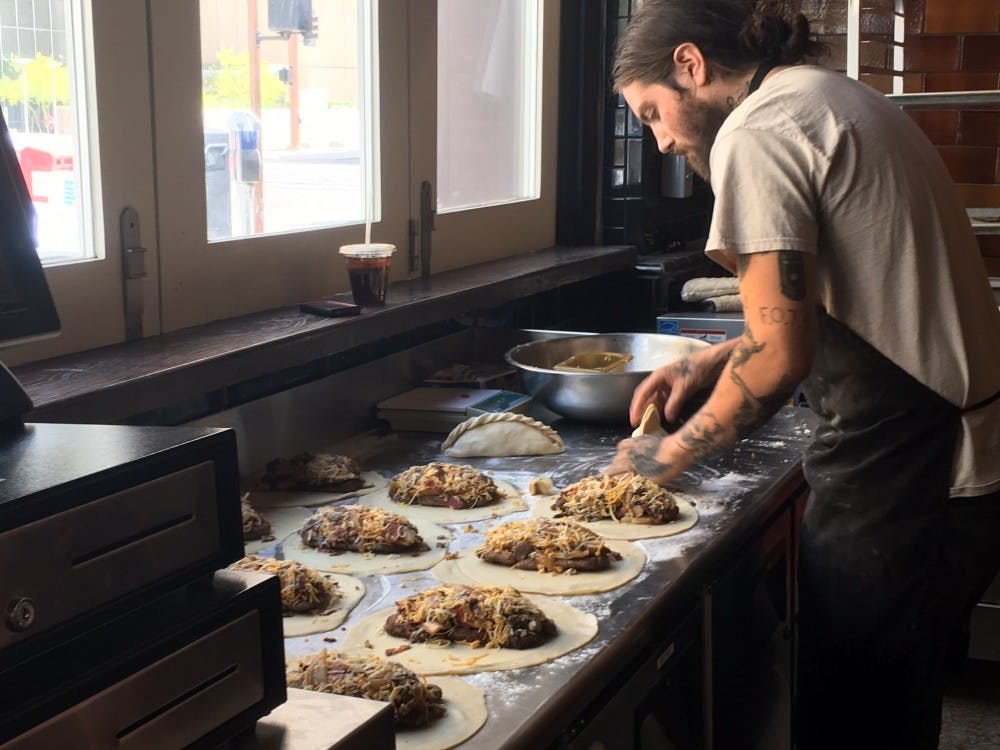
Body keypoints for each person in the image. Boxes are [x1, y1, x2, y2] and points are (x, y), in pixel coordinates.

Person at [606, 1, 1000, 748]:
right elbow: (848, 297)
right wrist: (715, 356)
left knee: (855, 719)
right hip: (954, 459)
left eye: (653, 112)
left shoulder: (758, 132)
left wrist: (663, 459)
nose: (657, 141)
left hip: (913, 474)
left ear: (691, 66)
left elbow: (782, 354)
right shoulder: (830, 96)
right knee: (891, 705)